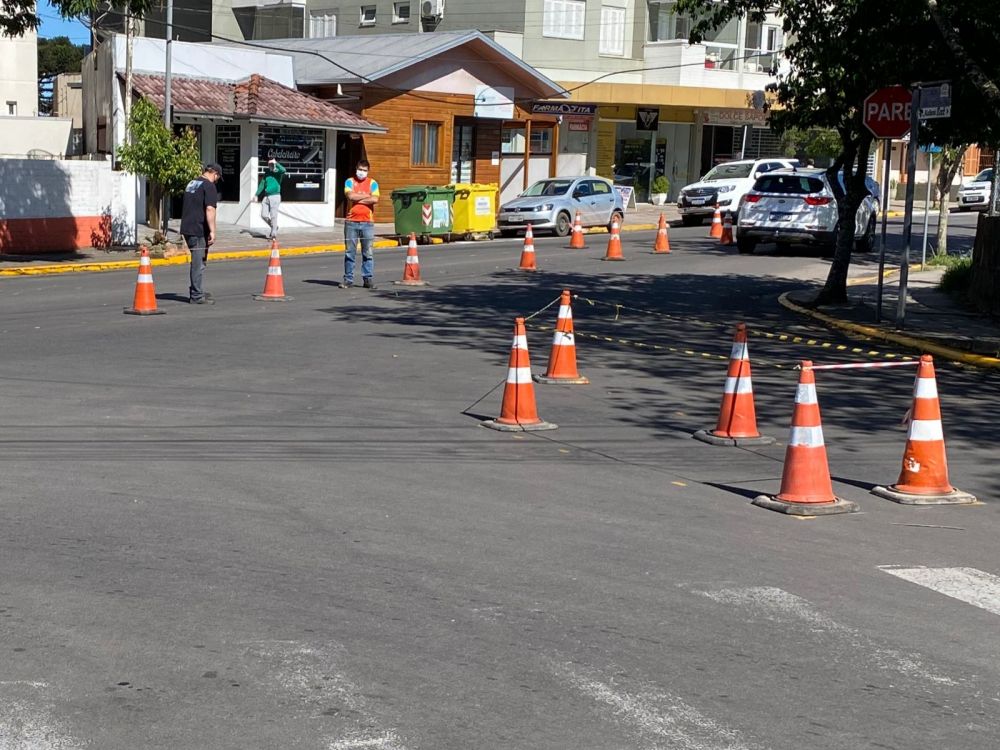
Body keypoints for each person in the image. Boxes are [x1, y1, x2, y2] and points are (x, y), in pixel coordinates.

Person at [180, 163, 221, 305]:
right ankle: (196, 295)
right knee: (198, 262)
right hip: (198, 229)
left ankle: (197, 290)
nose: (216, 181)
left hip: (187, 227)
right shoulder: (209, 186)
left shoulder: (192, 183)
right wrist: (213, 231)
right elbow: (210, 209)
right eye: (217, 178)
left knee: (199, 260)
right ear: (215, 174)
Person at [341, 159, 379, 289]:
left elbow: (375, 199)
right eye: (360, 169)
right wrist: (366, 198)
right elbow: (350, 196)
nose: (361, 172)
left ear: (368, 171)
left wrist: (358, 198)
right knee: (349, 252)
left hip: (367, 223)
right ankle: (348, 279)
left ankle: (367, 279)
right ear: (356, 169)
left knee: (368, 253)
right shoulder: (349, 181)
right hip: (351, 222)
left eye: (364, 170)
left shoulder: (372, 183)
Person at [254, 158, 286, 241]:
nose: (270, 166)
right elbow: (262, 184)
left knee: (273, 216)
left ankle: (273, 234)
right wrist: (256, 194)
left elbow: (283, 170)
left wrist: (276, 163)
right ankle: (274, 227)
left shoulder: (278, 172)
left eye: (272, 164)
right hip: (266, 196)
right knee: (263, 215)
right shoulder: (267, 172)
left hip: (275, 196)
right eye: (269, 164)